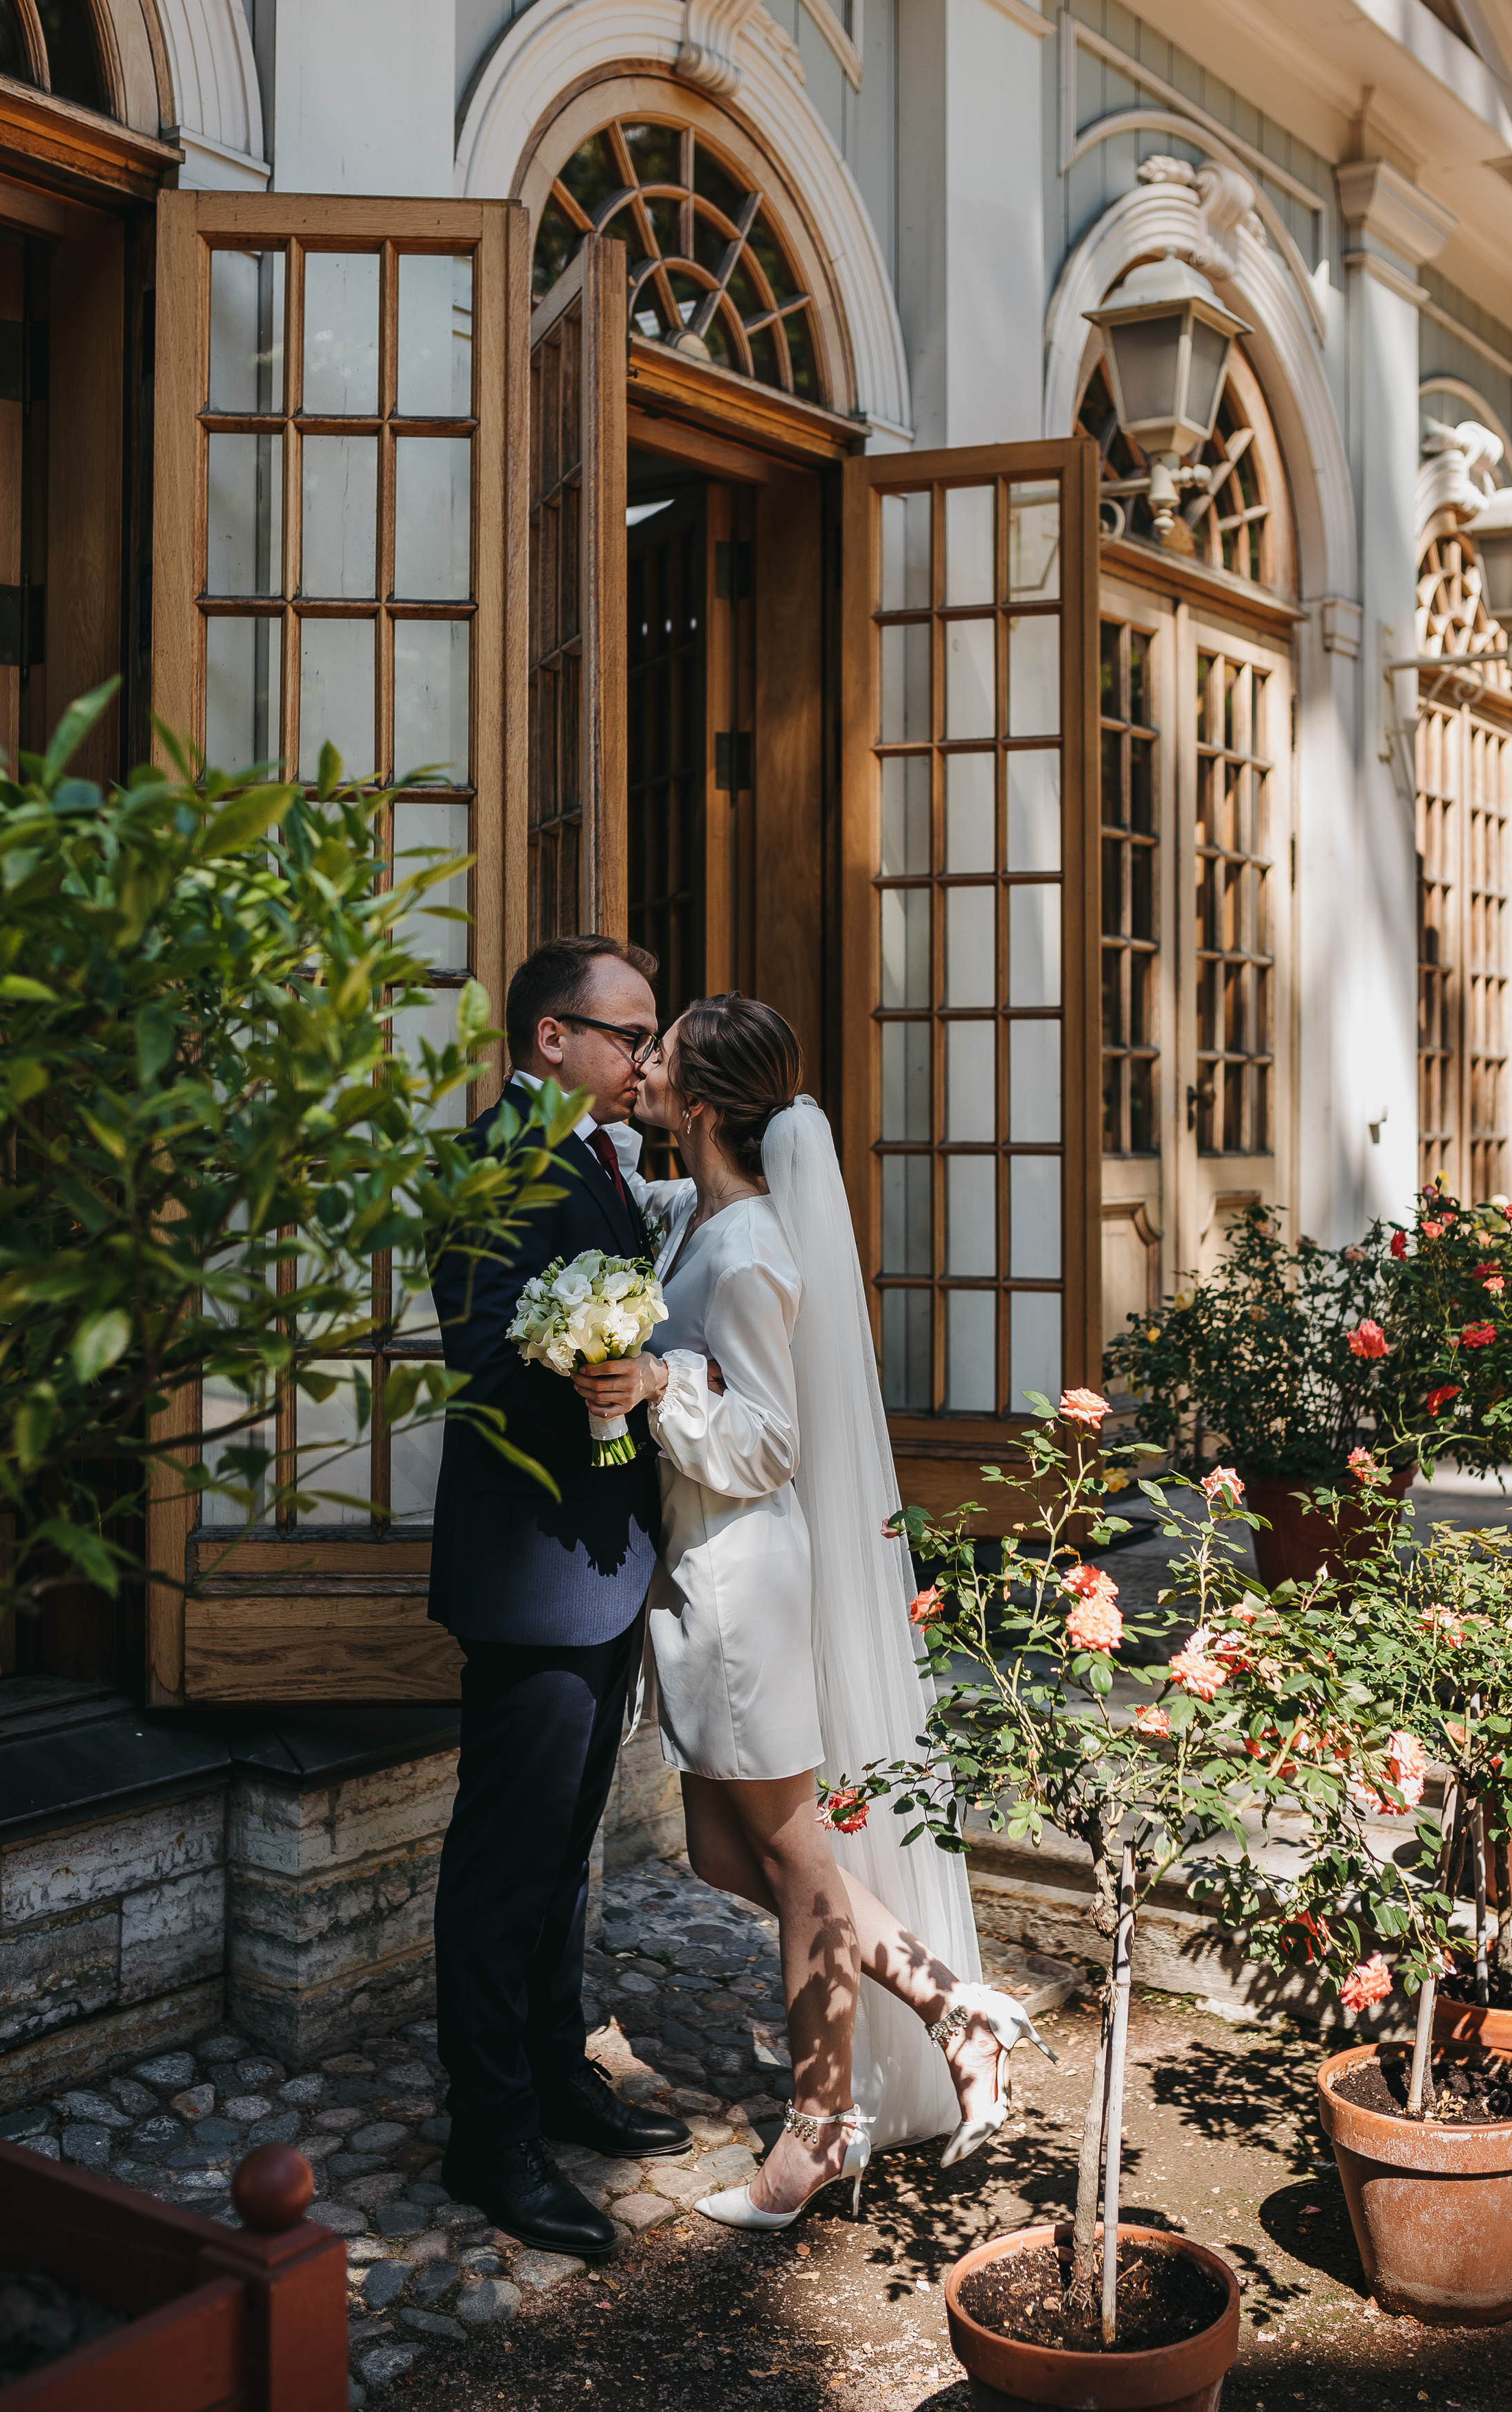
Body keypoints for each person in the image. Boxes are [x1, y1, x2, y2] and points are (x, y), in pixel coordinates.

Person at [574, 994, 1055, 2231]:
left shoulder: (748, 1253)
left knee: (793, 1869)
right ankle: (954, 2004)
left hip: (741, 1590)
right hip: (704, 1583)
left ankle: (819, 2133)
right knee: (730, 1854)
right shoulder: (711, 1221)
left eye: (661, 1052)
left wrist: (664, 1382)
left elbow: (772, 1439)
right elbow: (644, 1191)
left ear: (706, 1105)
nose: (644, 1062)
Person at [427, 935, 693, 2258]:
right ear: (551, 1037)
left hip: (599, 1561)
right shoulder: (490, 1158)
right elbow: (477, 1350)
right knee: (505, 1864)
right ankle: (489, 2133)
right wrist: (581, 1363)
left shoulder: (595, 1153)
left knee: (568, 1846)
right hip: (530, 1568)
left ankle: (552, 2066)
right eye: (630, 1034)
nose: (646, 1057)